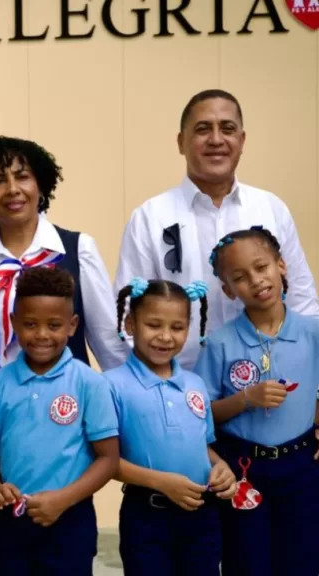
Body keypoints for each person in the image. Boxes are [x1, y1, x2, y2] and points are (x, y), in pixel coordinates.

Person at [0, 136, 128, 573]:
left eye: (23, 176)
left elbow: (108, 344)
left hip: (61, 434)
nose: (12, 189)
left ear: (41, 184)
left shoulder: (76, 249)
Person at [115, 89, 319, 370]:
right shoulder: (150, 217)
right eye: (202, 129)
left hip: (272, 385)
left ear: (242, 140)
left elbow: (304, 304)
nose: (216, 139)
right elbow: (128, 314)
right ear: (181, 142)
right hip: (180, 390)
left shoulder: (271, 209)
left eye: (227, 128)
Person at [192, 227, 319, 576]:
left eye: (262, 267)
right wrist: (245, 399)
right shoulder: (219, 344)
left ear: (281, 265)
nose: (256, 280)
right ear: (228, 290)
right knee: (246, 561)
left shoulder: (312, 333)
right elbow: (201, 416)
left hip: (303, 466)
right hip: (243, 468)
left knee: (305, 558)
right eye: (240, 277)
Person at [0, 266, 119, 576]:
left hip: (70, 518)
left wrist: (63, 500)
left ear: (72, 325)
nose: (42, 334)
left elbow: (108, 459)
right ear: (14, 322)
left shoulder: (89, 384)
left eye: (54, 325)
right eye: (30, 324)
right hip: (11, 520)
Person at [107, 277, 237, 576]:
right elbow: (105, 461)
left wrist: (222, 467)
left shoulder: (195, 384)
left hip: (203, 515)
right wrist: (163, 483)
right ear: (130, 324)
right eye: (154, 325)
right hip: (147, 516)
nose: (165, 336)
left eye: (177, 328)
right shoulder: (110, 385)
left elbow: (202, 447)